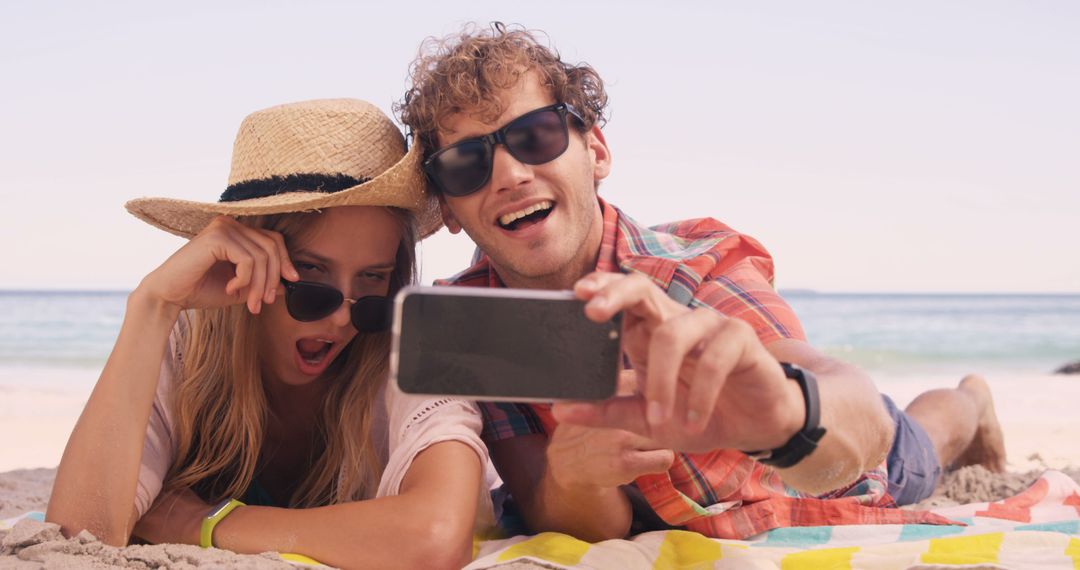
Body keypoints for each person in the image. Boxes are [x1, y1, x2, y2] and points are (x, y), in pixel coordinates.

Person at [396, 24, 1007, 541]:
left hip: (841, 471)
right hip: (669, 515)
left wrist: (786, 415)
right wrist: (576, 477)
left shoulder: (693, 267)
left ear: (596, 153)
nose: (508, 172)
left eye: (535, 136)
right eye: (466, 162)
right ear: (449, 207)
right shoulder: (467, 324)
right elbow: (561, 513)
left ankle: (973, 402)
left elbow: (851, 412)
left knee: (925, 437)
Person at [46, 99, 493, 569]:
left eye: (373, 280)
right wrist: (152, 307)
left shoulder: (413, 348)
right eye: (311, 274)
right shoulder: (187, 343)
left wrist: (203, 522)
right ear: (244, 254)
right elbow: (81, 537)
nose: (342, 318)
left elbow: (437, 539)